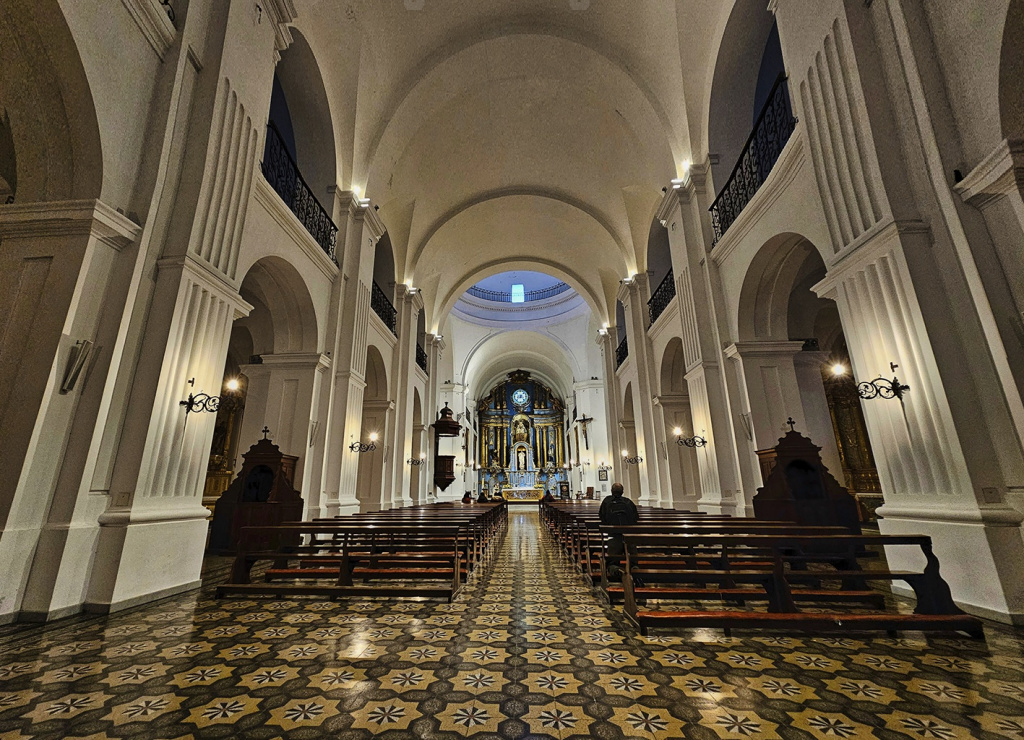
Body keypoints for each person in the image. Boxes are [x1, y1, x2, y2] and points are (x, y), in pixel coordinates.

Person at [598, 483, 639, 581]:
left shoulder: (607, 501)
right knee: (632, 557)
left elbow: (602, 516)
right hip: (629, 536)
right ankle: (635, 571)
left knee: (612, 559)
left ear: (611, 491)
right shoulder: (628, 502)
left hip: (613, 535)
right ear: (622, 491)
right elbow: (635, 517)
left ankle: (615, 571)